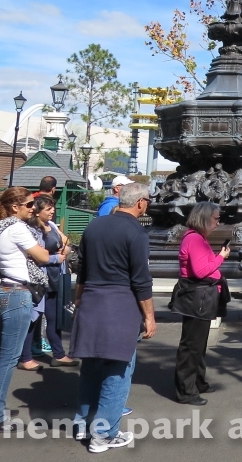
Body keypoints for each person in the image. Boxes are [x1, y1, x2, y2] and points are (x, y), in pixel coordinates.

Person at [69, 182, 156, 452]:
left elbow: (82, 268)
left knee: (92, 367)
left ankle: (83, 422)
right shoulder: (136, 233)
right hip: (119, 306)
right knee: (118, 371)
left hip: (92, 301)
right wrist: (150, 316)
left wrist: (79, 297)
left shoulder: (95, 225)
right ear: (140, 203)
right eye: (148, 200)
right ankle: (104, 434)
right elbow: (141, 280)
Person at [0, 187, 51, 429]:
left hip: (6, 290)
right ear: (15, 207)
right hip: (17, 294)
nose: (34, 208)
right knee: (9, 358)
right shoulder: (18, 228)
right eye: (30, 205)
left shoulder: (1, 227)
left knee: (2, 354)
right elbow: (42, 256)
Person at [171, 203, 230, 406]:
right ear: (204, 218)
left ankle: (197, 382)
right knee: (192, 346)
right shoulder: (196, 239)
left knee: (198, 344)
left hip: (201, 298)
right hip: (197, 299)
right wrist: (220, 258)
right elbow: (200, 271)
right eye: (215, 218)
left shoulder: (197, 238)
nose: (218, 222)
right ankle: (186, 391)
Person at [18, 196, 75, 369]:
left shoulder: (52, 226)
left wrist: (65, 250)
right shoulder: (32, 229)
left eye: (53, 208)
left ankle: (58, 354)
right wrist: (56, 257)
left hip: (55, 277)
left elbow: (67, 242)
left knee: (54, 317)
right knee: (33, 319)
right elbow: (37, 256)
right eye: (48, 209)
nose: (52, 211)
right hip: (41, 279)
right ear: (37, 211)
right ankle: (25, 357)